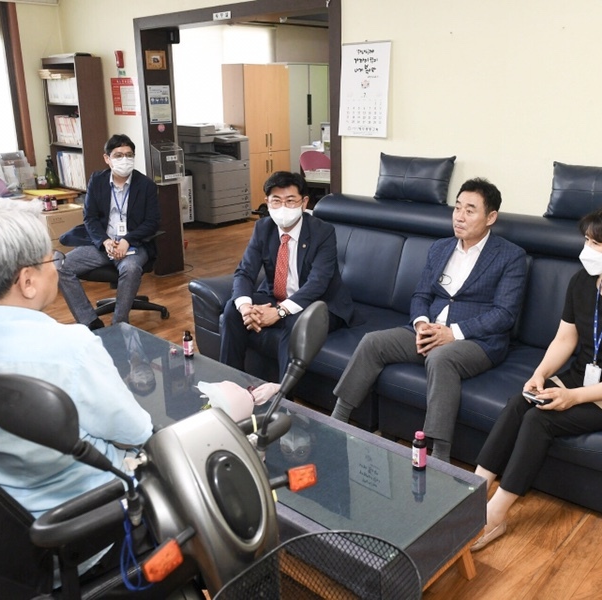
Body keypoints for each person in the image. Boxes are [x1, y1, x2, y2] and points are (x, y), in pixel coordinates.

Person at [0, 197, 153, 542]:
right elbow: (135, 433)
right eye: (52, 259)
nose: (57, 267)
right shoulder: (70, 348)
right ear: (27, 281)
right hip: (85, 523)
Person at [470, 203, 602, 551]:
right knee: (520, 403)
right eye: (587, 240)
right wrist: (539, 374)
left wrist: (573, 397)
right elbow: (565, 339)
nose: (586, 249)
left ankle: (495, 515)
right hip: (578, 378)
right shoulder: (583, 282)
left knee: (539, 421)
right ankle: (470, 493)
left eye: (596, 244)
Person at [330, 178, 527, 463]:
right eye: (457, 208)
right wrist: (421, 324)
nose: (459, 216)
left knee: (440, 358)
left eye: (470, 210)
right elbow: (421, 294)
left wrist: (453, 333)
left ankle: (439, 455)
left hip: (477, 341)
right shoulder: (440, 248)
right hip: (429, 330)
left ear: (491, 217)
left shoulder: (510, 256)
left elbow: (505, 314)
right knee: (373, 342)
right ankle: (338, 419)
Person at [220, 171, 354, 375]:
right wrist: (246, 307)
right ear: (267, 202)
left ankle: (283, 394)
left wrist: (279, 312)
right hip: (276, 296)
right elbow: (245, 272)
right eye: (276, 201)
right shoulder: (263, 228)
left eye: (290, 200)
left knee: (295, 323)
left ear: (304, 202)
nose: (283, 207)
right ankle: (230, 382)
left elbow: (318, 283)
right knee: (232, 309)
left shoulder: (323, 232)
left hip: (320, 303)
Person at [58, 134, 160, 329]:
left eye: (129, 155)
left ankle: (119, 324)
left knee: (131, 269)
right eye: (118, 155)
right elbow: (90, 218)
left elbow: (152, 222)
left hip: (133, 245)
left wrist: (127, 240)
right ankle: (89, 321)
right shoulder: (97, 180)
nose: (124, 159)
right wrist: (104, 241)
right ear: (107, 158)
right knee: (61, 267)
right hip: (103, 244)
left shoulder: (146, 185)